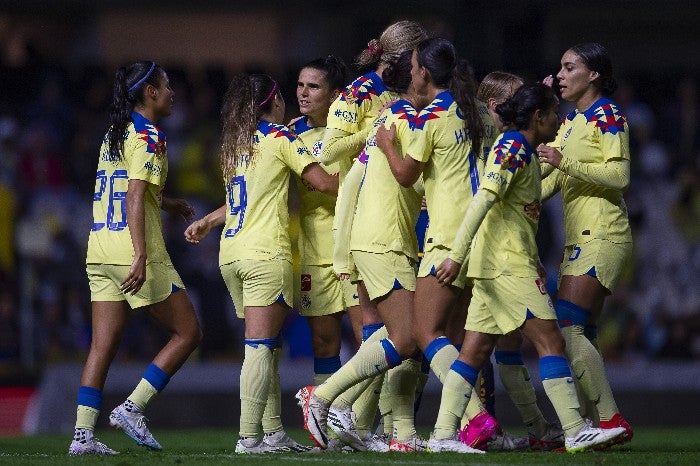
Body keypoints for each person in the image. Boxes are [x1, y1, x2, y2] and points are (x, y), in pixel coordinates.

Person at [430, 82, 627, 453]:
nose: (559, 118)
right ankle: (573, 429)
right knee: (551, 340)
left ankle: (442, 435)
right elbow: (483, 200)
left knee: (473, 351)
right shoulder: (513, 147)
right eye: (554, 113)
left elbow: (516, 212)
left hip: (500, 264)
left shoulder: (524, 152)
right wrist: (456, 255)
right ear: (538, 117)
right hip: (506, 265)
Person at [184, 73, 337, 453]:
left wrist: (207, 220)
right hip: (265, 253)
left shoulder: (237, 145)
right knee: (260, 346)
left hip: (232, 252)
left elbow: (243, 199)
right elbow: (323, 182)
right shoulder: (281, 138)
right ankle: (249, 437)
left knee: (266, 349)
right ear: (276, 102)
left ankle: (272, 433)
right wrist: (369, 172)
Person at [69, 61, 202, 455]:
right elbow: (131, 195)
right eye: (167, 85)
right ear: (150, 92)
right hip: (133, 250)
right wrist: (142, 253)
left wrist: (168, 202)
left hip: (99, 248)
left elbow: (129, 190)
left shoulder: (114, 132)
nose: (172, 92)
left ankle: (82, 436)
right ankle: (133, 407)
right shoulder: (151, 136)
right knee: (189, 333)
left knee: (102, 345)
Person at [318, 20, 429, 451]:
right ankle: (348, 413)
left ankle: (352, 426)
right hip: (369, 220)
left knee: (387, 334)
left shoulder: (397, 97)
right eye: (418, 59)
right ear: (403, 59)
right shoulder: (360, 92)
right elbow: (328, 150)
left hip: (399, 212)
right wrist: (378, 131)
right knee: (391, 332)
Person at [537, 42, 634, 445]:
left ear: (593, 74)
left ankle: (610, 420)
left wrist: (566, 163)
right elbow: (550, 183)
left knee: (567, 325)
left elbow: (620, 176)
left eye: (568, 67)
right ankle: (599, 426)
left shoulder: (607, 115)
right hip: (579, 240)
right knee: (583, 333)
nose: (559, 74)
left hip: (604, 234)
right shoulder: (572, 123)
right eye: (558, 68)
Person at [288, 55, 364, 396]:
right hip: (315, 250)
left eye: (313, 86)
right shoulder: (290, 135)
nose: (303, 93)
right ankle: (327, 422)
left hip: (356, 245)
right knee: (323, 342)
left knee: (369, 340)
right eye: (301, 85)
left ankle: (373, 423)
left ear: (334, 95)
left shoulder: (351, 129)